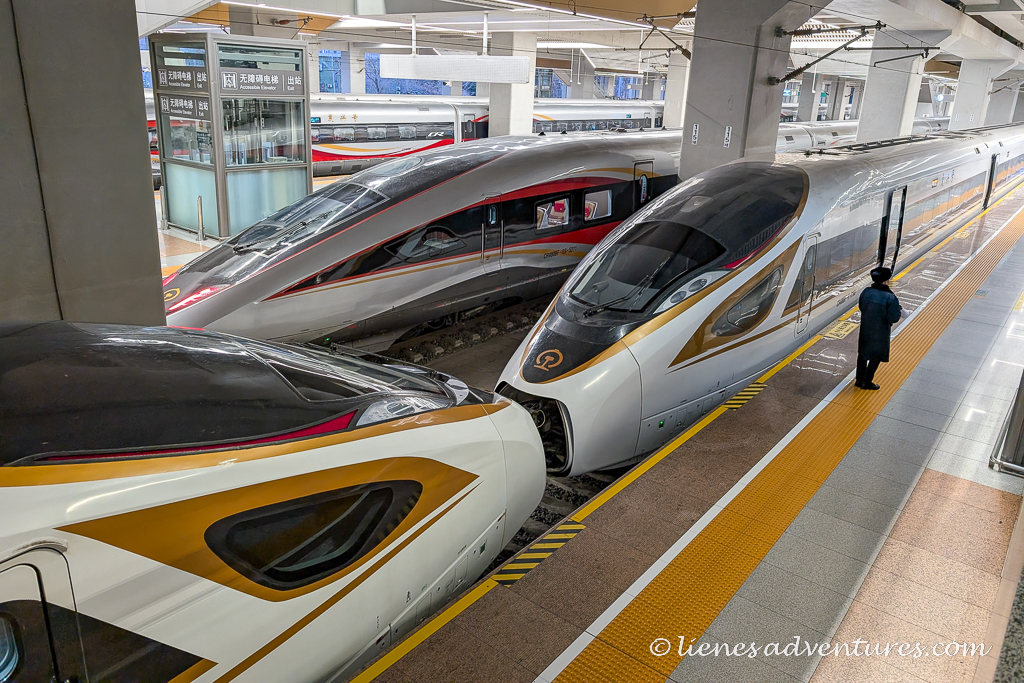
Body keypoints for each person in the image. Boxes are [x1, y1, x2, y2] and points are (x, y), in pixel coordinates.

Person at [856, 266, 902, 390]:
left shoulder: (866, 292)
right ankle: (866, 382)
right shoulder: (890, 297)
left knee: (862, 354)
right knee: (875, 356)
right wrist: (898, 310)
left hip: (865, 329)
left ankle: (859, 380)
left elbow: (861, 307)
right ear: (886, 281)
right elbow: (893, 318)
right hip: (880, 332)